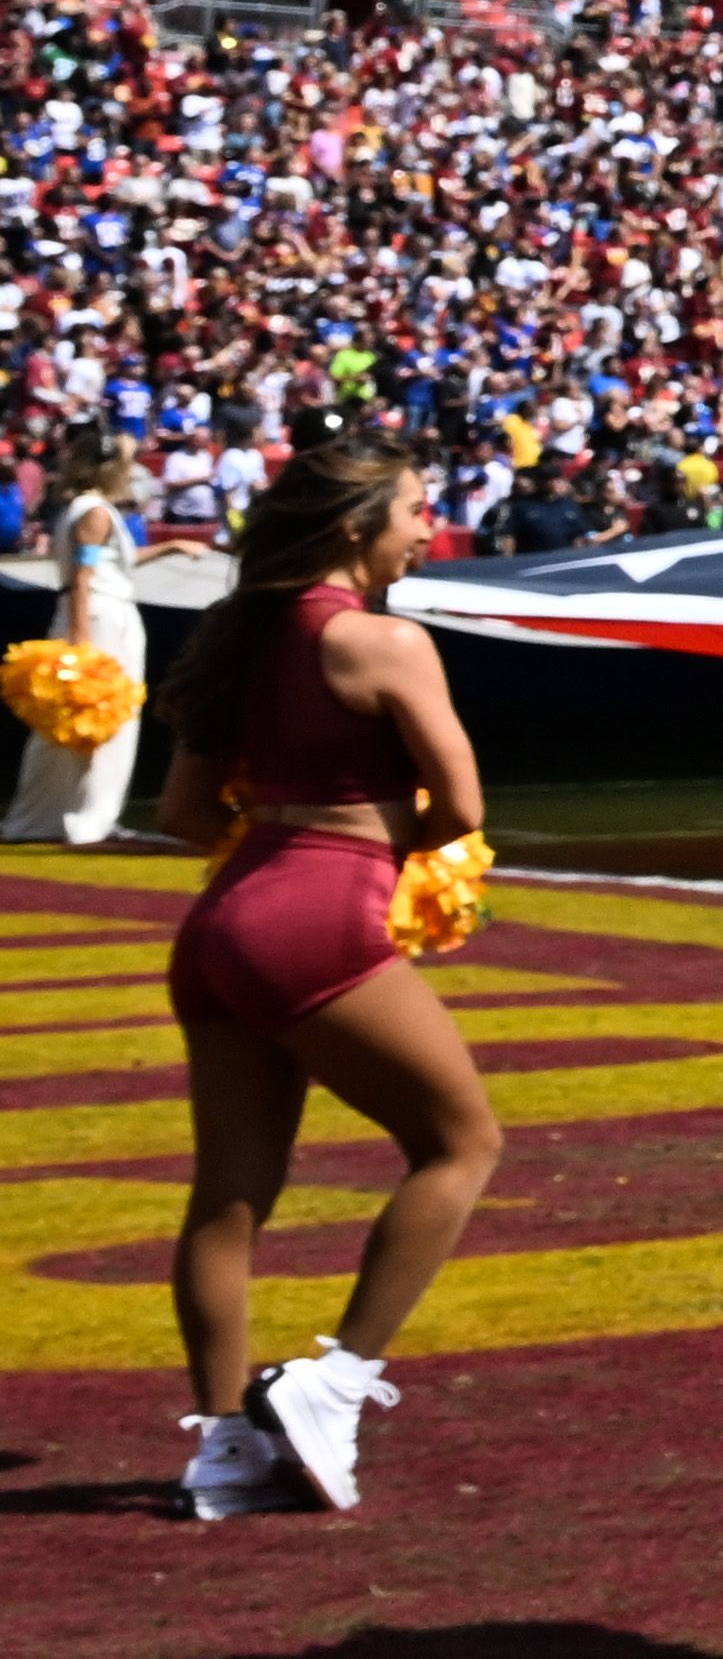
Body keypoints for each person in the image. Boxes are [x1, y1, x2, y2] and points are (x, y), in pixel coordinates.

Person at [153, 433, 503, 1521]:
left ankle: (223, 1445)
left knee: (229, 1192)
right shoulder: (384, 640)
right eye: (415, 510)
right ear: (357, 525)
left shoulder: (236, 638)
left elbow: (181, 814)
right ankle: (335, 1381)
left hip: (219, 923)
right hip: (319, 913)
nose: (426, 529)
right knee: (461, 1144)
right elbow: (463, 806)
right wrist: (374, 849)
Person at [11, 417, 148, 849]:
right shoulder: (94, 511)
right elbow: (83, 576)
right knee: (100, 714)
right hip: (100, 616)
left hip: (96, 610)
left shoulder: (88, 509)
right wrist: (80, 637)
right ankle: (90, 818)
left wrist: (173, 546)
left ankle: (58, 815)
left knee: (73, 720)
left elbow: (102, 565)